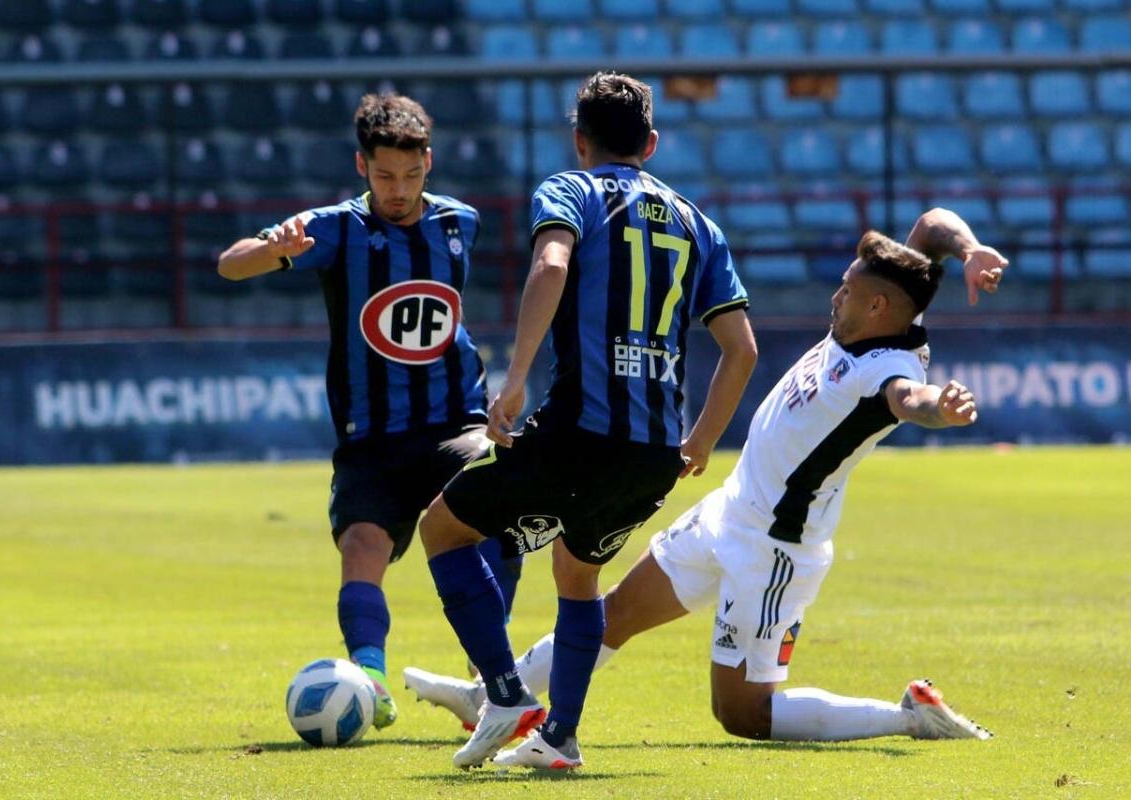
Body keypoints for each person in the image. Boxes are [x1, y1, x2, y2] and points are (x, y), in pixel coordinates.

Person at [405, 209, 1008, 755]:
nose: (836, 295)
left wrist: (940, 406)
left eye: (847, 289)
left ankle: (908, 718)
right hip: (729, 512)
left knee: (742, 713)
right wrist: (971, 248)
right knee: (613, 614)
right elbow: (930, 226)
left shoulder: (889, 367)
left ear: (877, 308)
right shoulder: (887, 311)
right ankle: (489, 695)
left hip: (774, 549)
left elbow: (910, 399)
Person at [416, 72, 759, 770]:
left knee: (443, 529)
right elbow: (742, 349)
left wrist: (515, 379)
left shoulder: (571, 190)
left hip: (579, 430)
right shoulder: (699, 224)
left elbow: (550, 263)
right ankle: (560, 737)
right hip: (654, 450)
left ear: (579, 141)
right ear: (651, 144)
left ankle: (504, 694)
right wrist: (701, 438)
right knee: (578, 573)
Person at [216, 93, 521, 731]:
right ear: (362, 166)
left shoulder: (460, 222)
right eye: (384, 175)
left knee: (495, 511)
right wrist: (277, 249)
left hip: (455, 422)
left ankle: (487, 682)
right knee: (362, 545)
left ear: (429, 162)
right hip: (373, 436)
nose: (398, 190)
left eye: (410, 174)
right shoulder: (334, 228)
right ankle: (370, 684)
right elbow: (230, 264)